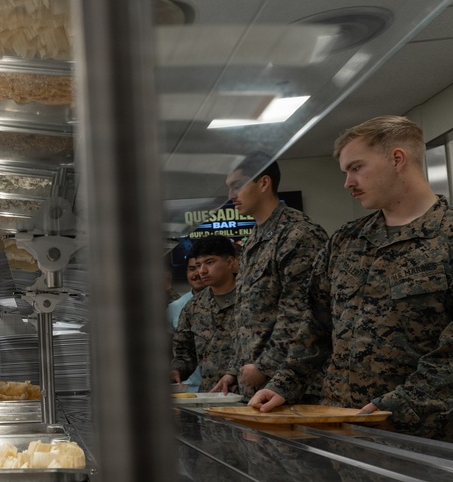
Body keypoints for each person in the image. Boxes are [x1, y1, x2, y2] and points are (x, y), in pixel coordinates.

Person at [251, 116, 453, 441]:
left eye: (356, 168)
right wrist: (285, 383)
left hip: (420, 436)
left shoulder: (447, 236)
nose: (347, 183)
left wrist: (399, 409)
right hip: (344, 431)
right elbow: (316, 325)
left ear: (397, 159)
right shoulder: (346, 240)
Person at [211, 152, 328, 397]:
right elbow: (248, 315)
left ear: (264, 183)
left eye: (237, 186)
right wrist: (234, 371)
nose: (231, 196)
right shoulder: (254, 238)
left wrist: (266, 365)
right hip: (256, 383)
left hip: (293, 386)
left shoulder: (298, 234)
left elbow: (302, 313)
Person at [170, 236, 238, 392]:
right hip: (211, 396)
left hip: (252, 395)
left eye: (210, 262)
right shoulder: (193, 306)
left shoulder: (254, 297)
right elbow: (185, 352)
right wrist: (176, 371)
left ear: (229, 262)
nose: (202, 271)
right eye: (198, 265)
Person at [166, 255, 205, 392]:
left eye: (200, 268)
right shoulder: (176, 307)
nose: (197, 273)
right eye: (192, 269)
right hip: (189, 388)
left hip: (227, 388)